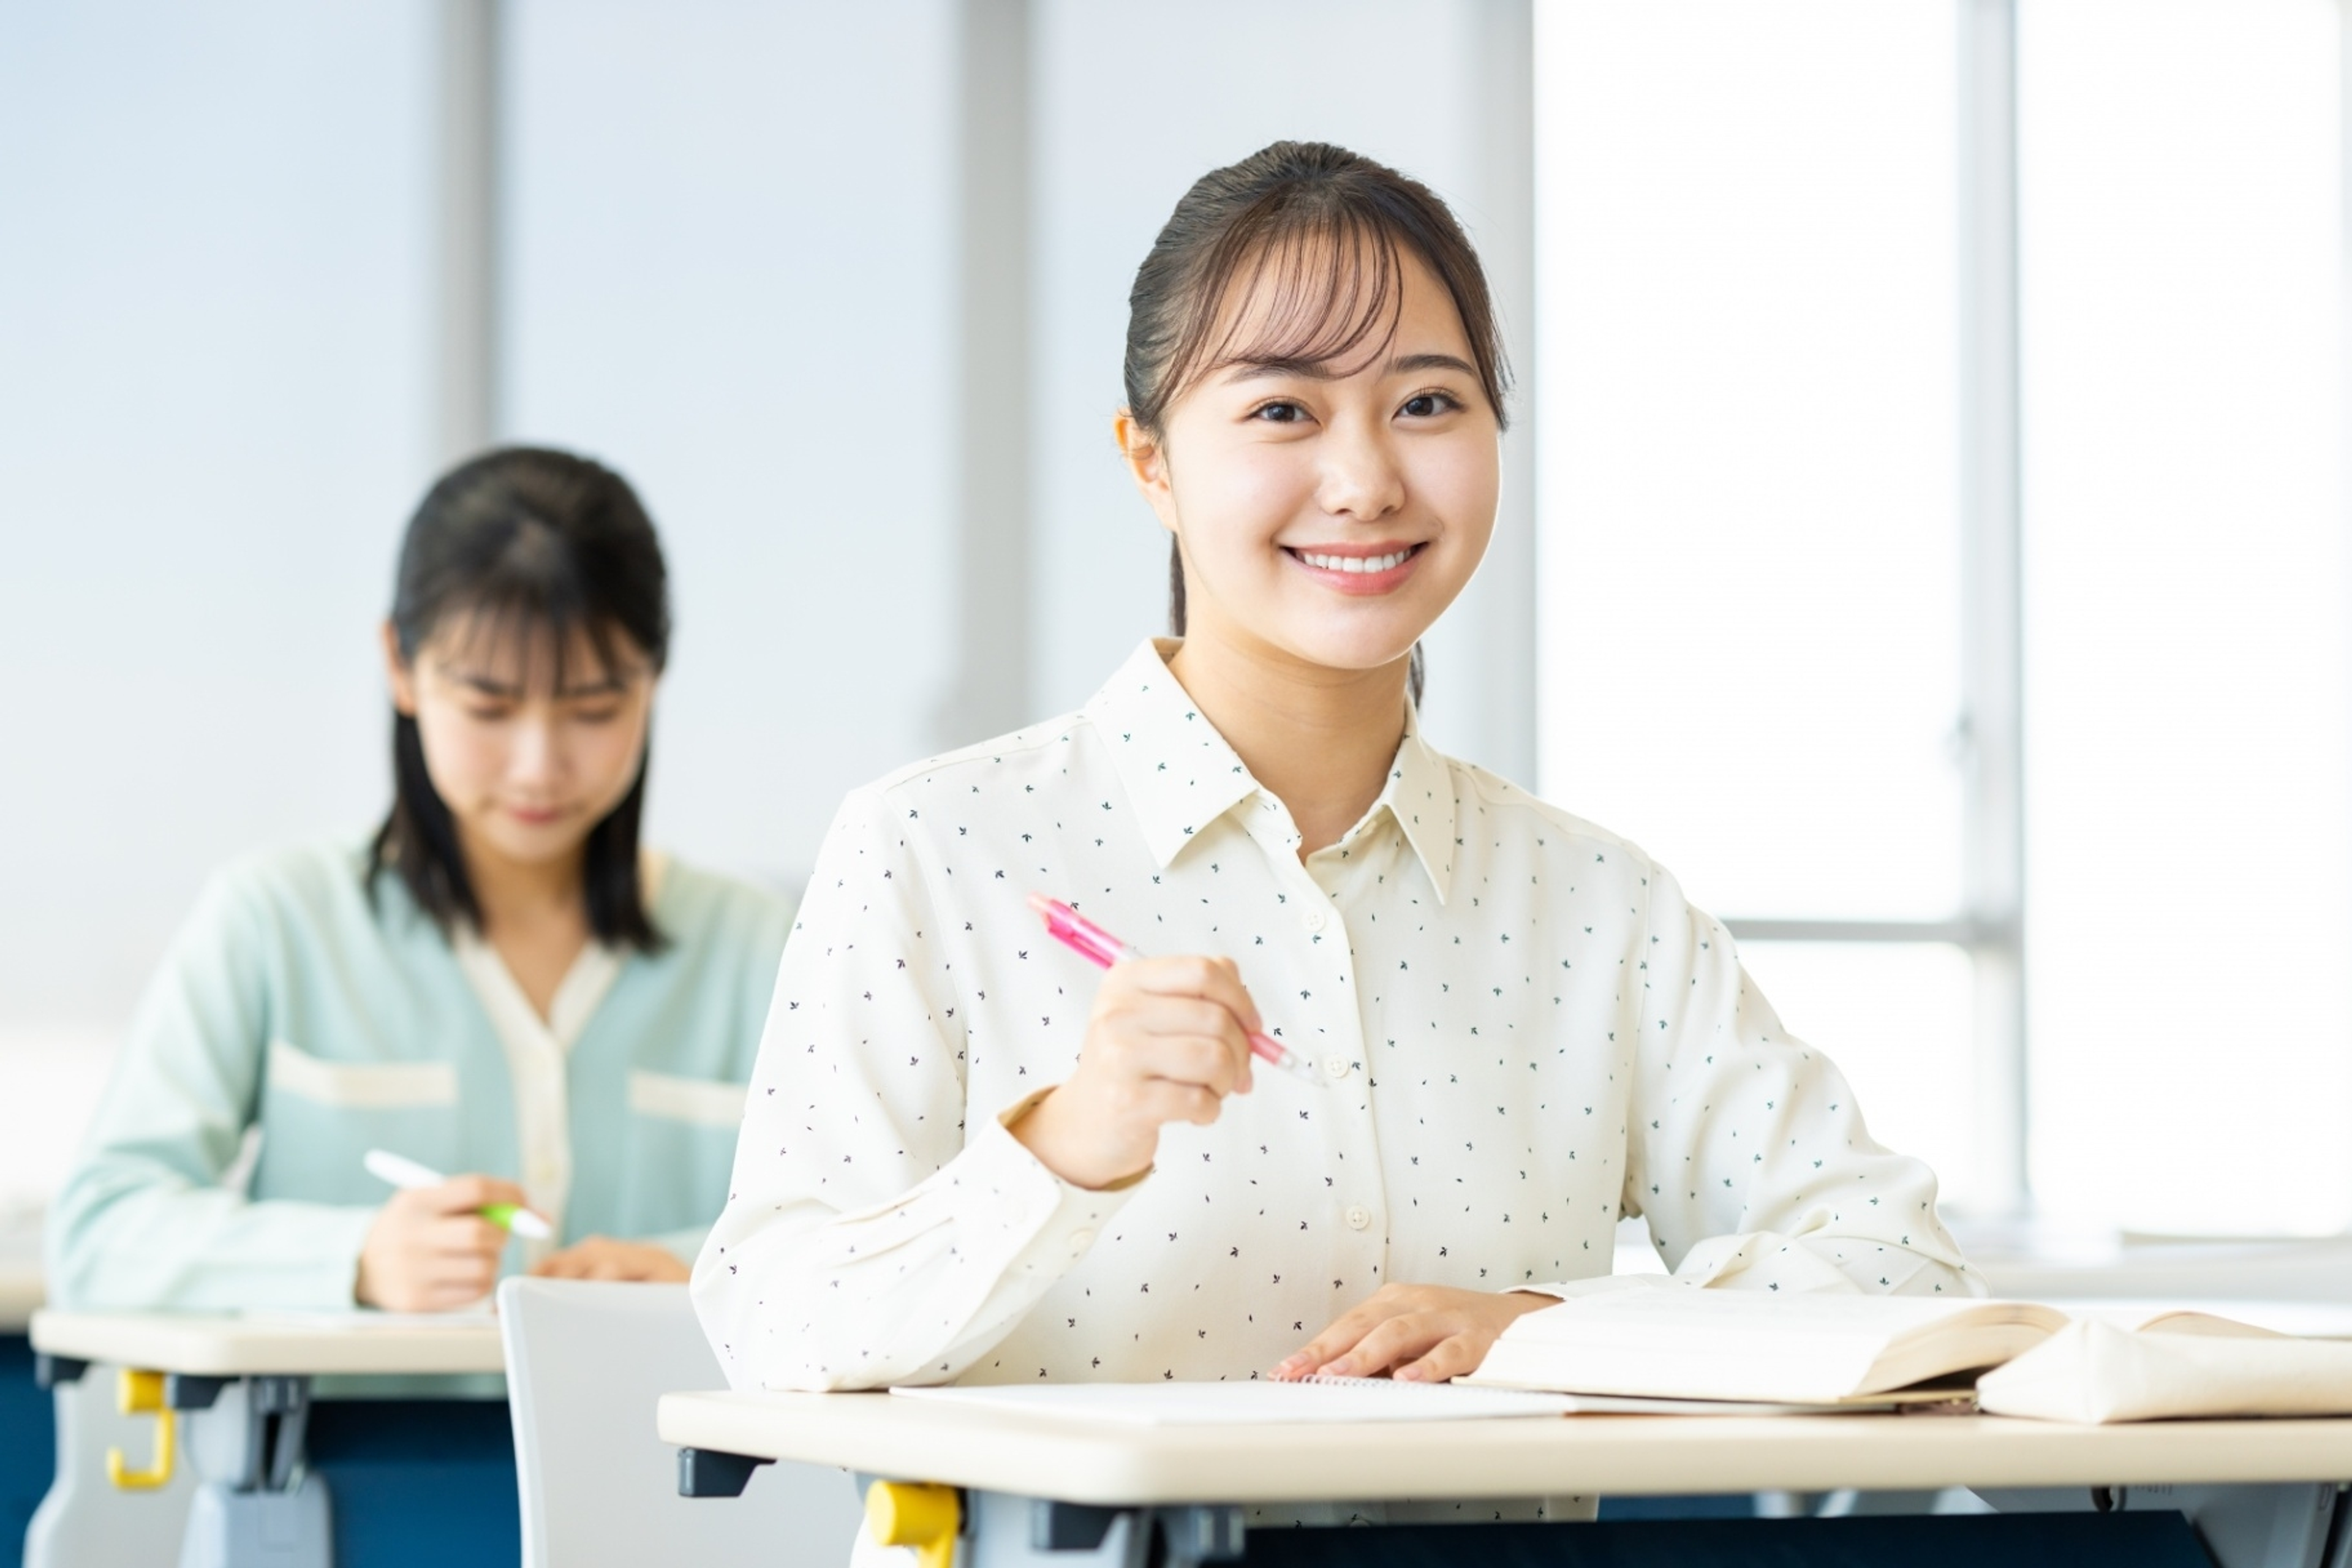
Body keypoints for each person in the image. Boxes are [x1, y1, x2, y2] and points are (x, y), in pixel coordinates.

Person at [694, 141, 1975, 1417]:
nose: (1366, 481)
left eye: (1427, 404)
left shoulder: (1598, 907)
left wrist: (1541, 1326)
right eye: (1282, 410)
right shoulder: (936, 846)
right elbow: (771, 1309)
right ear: (1151, 462)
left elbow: (1893, 1270)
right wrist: (1063, 1150)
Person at [50, 447, 790, 1312]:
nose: (538, 766)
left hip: (653, 1452)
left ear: (654, 681)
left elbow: (879, 1237)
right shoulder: (276, 920)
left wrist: (706, 1274)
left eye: (594, 709)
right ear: (399, 665)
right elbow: (99, 1234)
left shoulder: (760, 948)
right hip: (346, 1449)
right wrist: (353, 1259)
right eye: (489, 708)